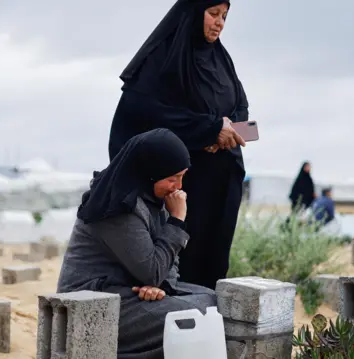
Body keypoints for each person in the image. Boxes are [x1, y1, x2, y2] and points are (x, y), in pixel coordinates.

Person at [107, 0, 249, 290]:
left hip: (220, 183)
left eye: (224, 16)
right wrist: (208, 131)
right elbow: (143, 111)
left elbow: (240, 108)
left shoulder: (222, 60)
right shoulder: (165, 58)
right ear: (194, 13)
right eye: (213, 14)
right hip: (182, 186)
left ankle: (204, 322)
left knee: (212, 268)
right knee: (175, 268)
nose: (220, 22)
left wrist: (226, 133)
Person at [57, 128, 216, 359]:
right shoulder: (118, 207)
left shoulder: (151, 197)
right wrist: (177, 221)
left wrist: (161, 287)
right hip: (94, 302)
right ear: (150, 172)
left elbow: (167, 265)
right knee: (197, 313)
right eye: (172, 178)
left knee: (212, 298)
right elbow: (152, 270)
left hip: (129, 290)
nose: (179, 187)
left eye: (182, 176)